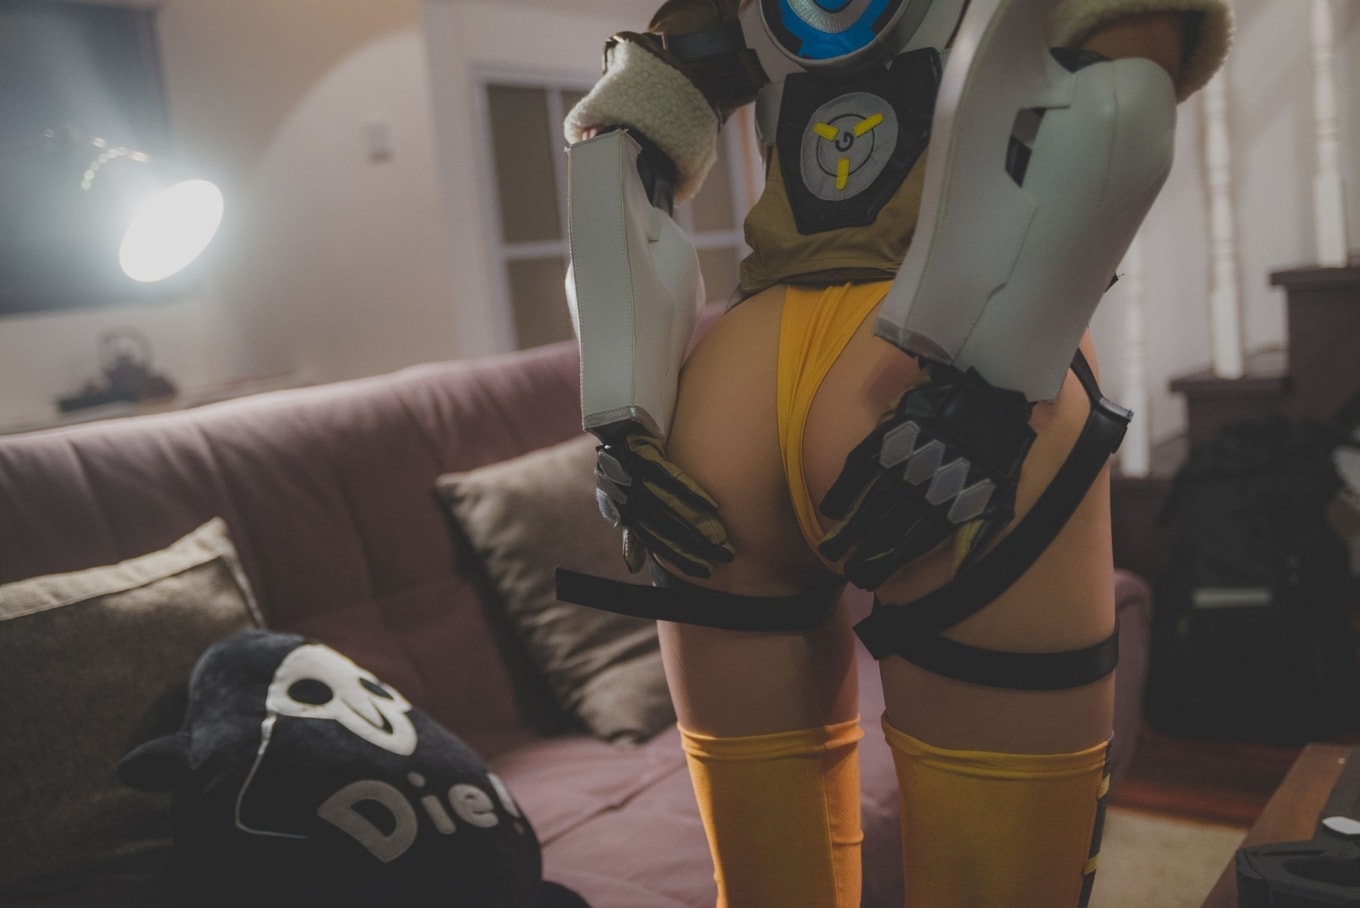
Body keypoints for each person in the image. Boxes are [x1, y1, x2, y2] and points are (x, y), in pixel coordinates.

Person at [556, 1, 1231, 905]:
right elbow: (1119, 113)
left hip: (728, 396)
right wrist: (990, 396)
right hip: (961, 362)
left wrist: (621, 411)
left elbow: (617, 144)